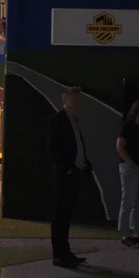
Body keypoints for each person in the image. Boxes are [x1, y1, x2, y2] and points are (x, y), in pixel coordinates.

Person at [48, 86, 91, 268]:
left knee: (66, 215)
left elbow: (77, 146)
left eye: (78, 99)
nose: (76, 102)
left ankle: (65, 252)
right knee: (61, 215)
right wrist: (67, 168)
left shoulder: (74, 120)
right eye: (73, 98)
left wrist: (85, 163)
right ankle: (59, 255)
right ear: (64, 99)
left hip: (73, 174)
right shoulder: (59, 120)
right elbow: (53, 148)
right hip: (65, 175)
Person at [116, 99, 139, 247]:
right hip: (131, 168)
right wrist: (130, 163)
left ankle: (136, 233)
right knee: (128, 201)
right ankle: (125, 234)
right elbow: (120, 146)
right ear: (136, 112)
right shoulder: (128, 127)